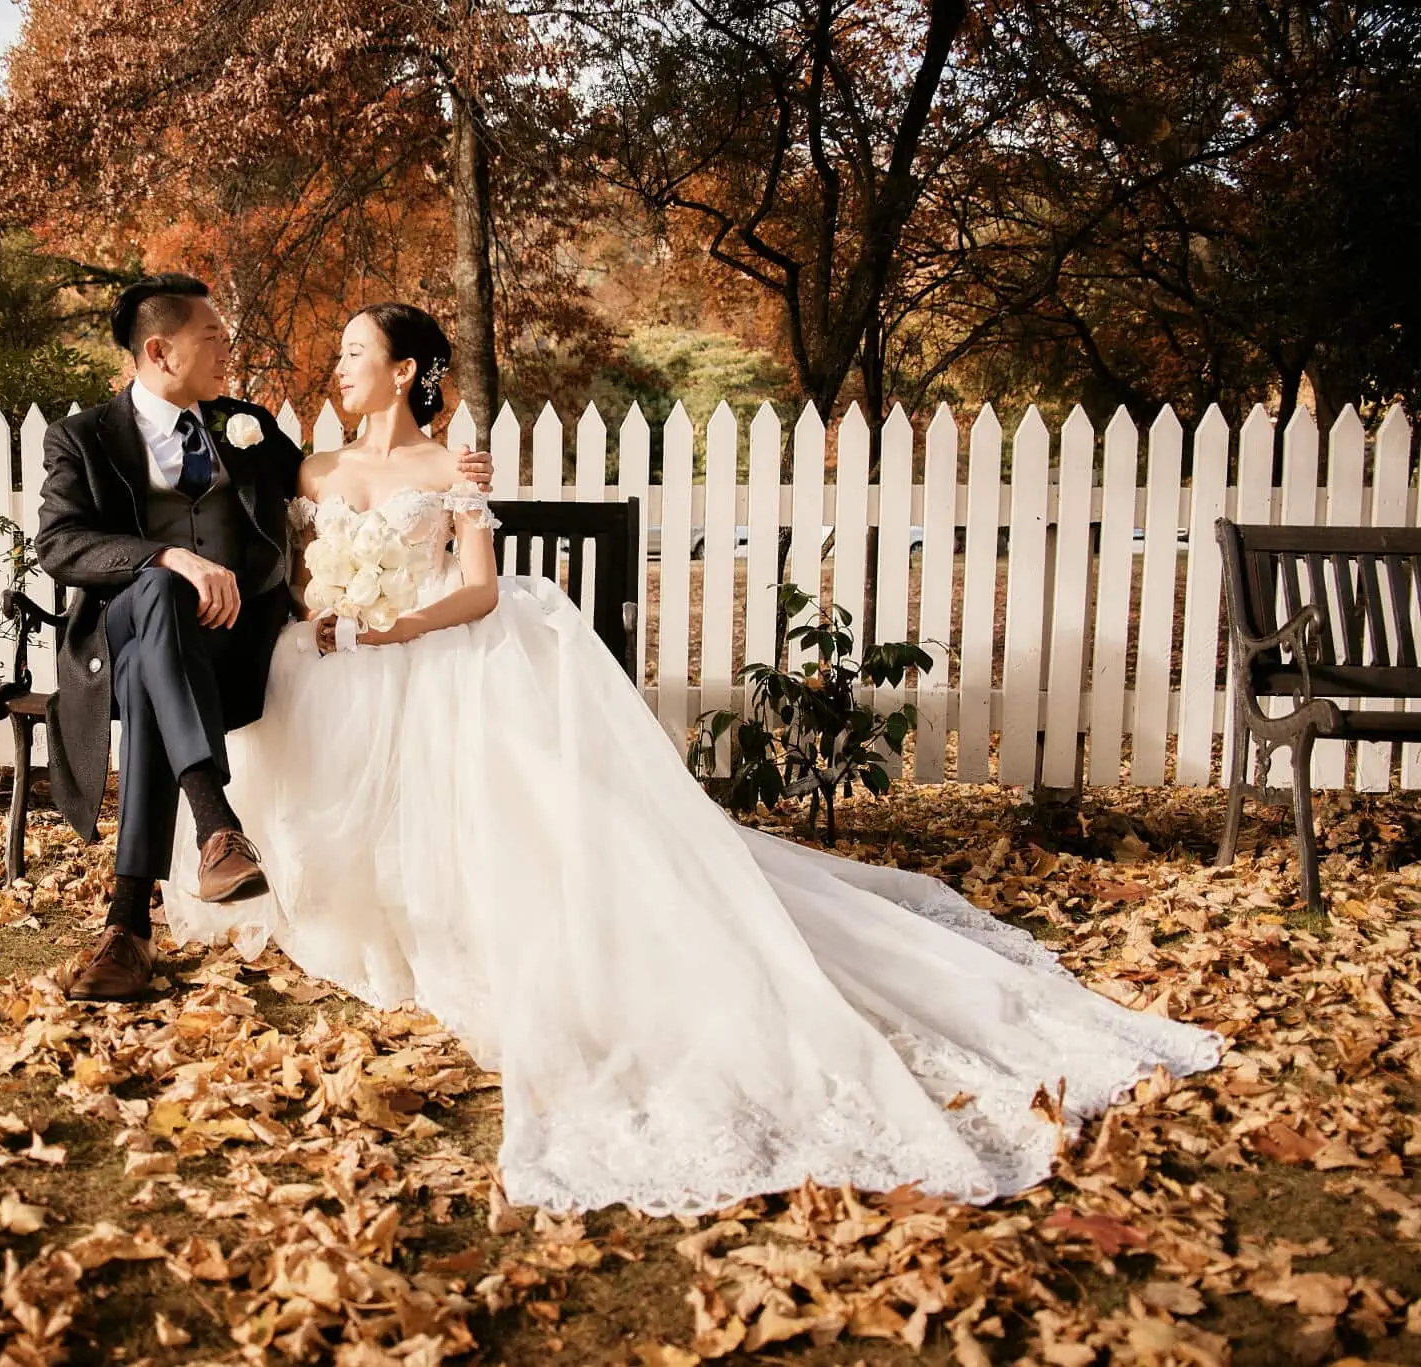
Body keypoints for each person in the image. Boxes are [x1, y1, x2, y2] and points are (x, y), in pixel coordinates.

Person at [160, 302, 1225, 1216]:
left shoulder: (450, 463)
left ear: (402, 369)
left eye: (353, 352)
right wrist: (319, 594)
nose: (336, 368)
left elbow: (481, 586)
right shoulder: (314, 461)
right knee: (293, 697)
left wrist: (400, 625)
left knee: (498, 776)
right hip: (340, 656)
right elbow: (260, 518)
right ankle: (338, 903)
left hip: (430, 645)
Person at [32, 275, 495, 1000]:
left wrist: (454, 469)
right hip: (124, 638)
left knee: (160, 678)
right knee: (158, 593)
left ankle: (128, 928)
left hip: (229, 649)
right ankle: (215, 820)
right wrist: (166, 555)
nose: (228, 349)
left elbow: (348, 483)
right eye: (213, 337)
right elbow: (59, 543)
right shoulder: (84, 438)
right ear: (160, 350)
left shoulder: (246, 427)